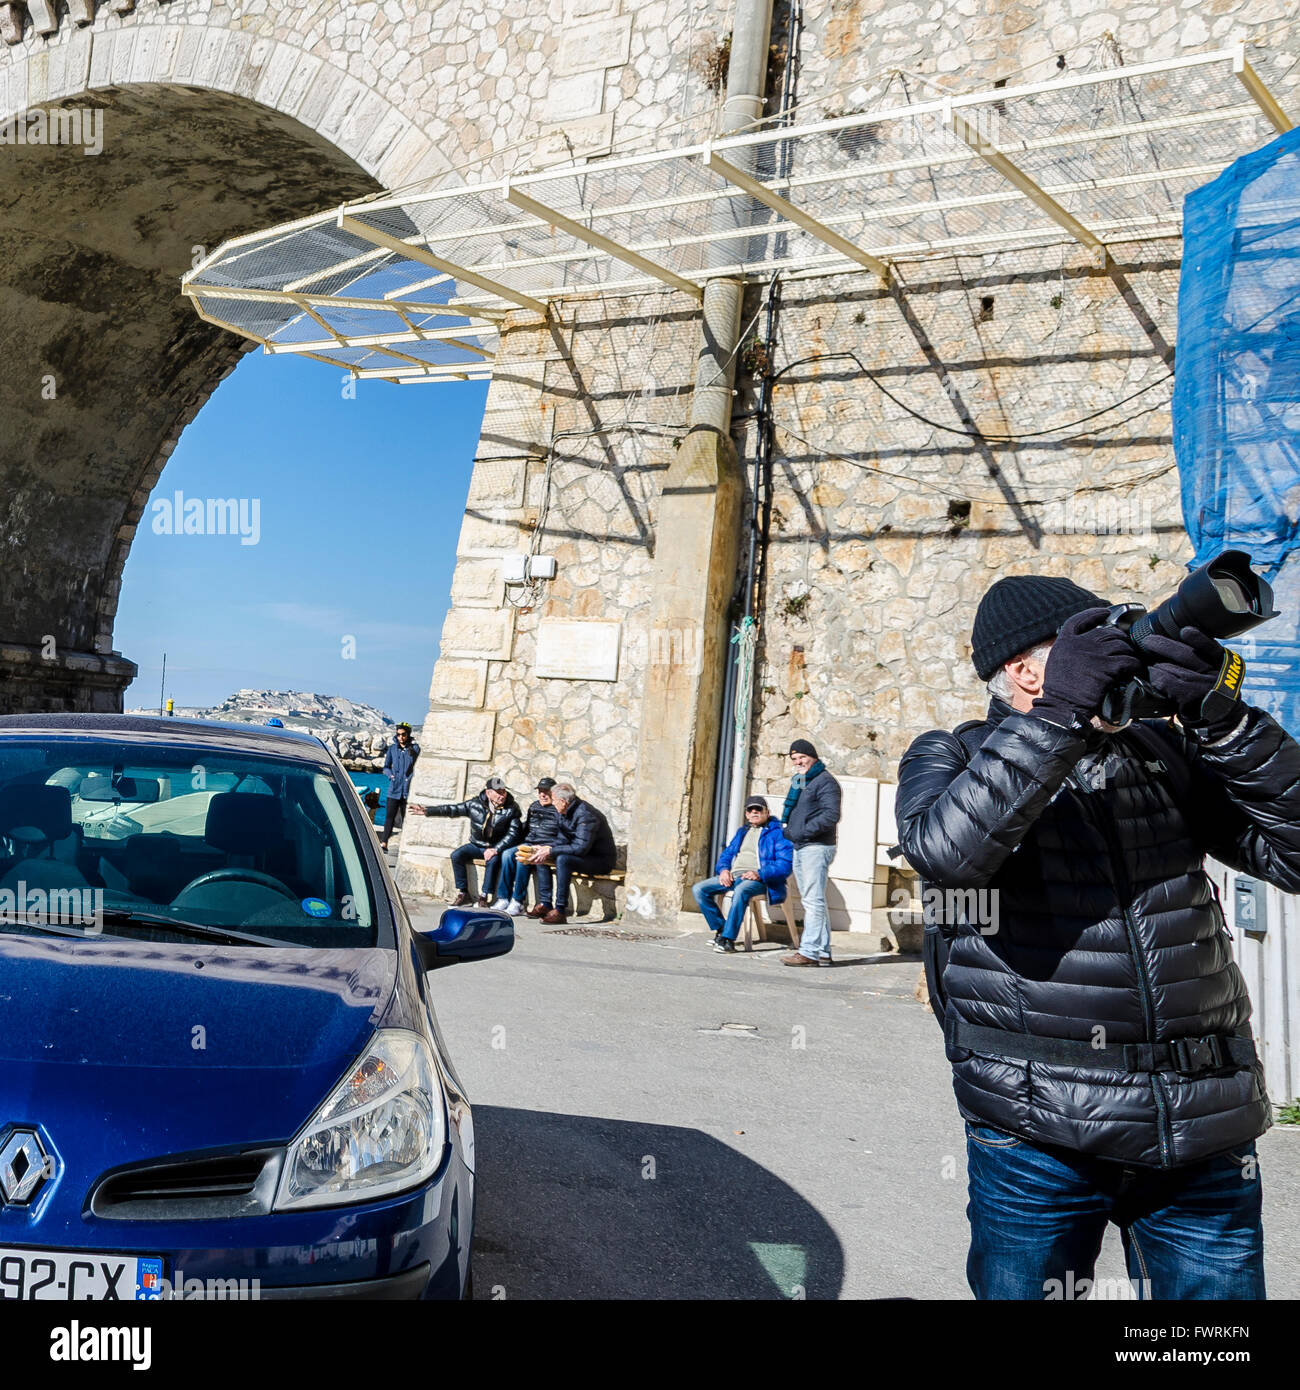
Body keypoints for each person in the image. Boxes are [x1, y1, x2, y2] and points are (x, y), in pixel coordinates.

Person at [896, 572, 1300, 1301]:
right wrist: (1059, 720)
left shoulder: (1160, 755)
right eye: (1089, 644)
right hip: (1038, 1131)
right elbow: (949, 858)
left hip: (1202, 1130)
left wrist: (1225, 720)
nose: (1117, 658)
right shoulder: (949, 755)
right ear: (1024, 669)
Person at [692, 797, 794, 954]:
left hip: (761, 880)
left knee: (741, 890)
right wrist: (724, 870)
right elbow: (727, 854)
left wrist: (759, 873)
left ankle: (728, 940)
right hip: (735, 876)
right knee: (699, 889)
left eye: (758, 810)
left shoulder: (778, 833)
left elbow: (785, 864)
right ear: (746, 814)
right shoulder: (742, 832)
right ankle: (722, 930)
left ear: (767, 812)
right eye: (750, 810)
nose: (754, 812)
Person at [409, 775, 523, 907]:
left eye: (503, 791)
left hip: (495, 847)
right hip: (476, 845)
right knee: (457, 855)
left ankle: (484, 896)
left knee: (493, 860)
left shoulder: (512, 809)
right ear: (488, 792)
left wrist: (495, 849)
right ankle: (463, 893)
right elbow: (453, 809)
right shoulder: (475, 804)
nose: (502, 795)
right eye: (498, 792)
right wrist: (428, 811)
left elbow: (513, 834)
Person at [780, 738, 842, 967]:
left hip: (816, 847)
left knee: (812, 901)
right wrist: (790, 832)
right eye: (794, 759)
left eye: (802, 757)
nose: (798, 762)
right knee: (816, 901)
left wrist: (803, 832)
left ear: (813, 757)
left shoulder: (825, 782)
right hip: (801, 846)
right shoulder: (801, 782)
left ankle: (809, 952)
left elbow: (830, 815)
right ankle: (823, 953)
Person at [528, 782, 615, 925]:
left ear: (563, 801)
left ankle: (560, 911)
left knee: (563, 859)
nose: (553, 804)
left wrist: (551, 850)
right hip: (583, 856)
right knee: (542, 856)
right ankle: (545, 903)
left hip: (600, 861)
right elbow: (562, 840)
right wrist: (546, 848)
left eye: (554, 801)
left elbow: (581, 847)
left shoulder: (586, 815)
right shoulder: (564, 812)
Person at [492, 777, 562, 918]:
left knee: (523, 858)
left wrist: (548, 846)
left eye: (546, 792)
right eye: (540, 791)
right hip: (529, 842)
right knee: (507, 854)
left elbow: (563, 833)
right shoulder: (534, 806)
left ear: (554, 793)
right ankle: (503, 898)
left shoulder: (559, 809)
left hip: (546, 846)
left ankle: (517, 901)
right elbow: (526, 828)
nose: (542, 795)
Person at [378, 722, 419, 851]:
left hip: (408, 790)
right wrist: (391, 776)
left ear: (408, 734)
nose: (401, 737)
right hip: (394, 789)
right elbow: (386, 767)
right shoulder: (392, 749)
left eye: (403, 734)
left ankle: (406, 845)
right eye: (398, 734)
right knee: (389, 817)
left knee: (407, 819)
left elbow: (418, 767)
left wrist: (411, 778)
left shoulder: (415, 749)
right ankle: (384, 842)